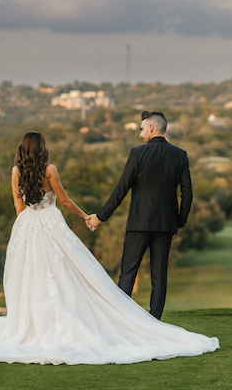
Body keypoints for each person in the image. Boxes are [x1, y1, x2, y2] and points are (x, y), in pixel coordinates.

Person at [0, 132, 218, 365]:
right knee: (67, 273)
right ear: (42, 148)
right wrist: (87, 217)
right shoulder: (50, 170)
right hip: (50, 223)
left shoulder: (15, 172)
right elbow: (65, 201)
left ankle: (33, 322)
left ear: (22, 149)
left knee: (32, 276)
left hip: (26, 227)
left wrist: (27, 230)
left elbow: (18, 208)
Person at [86, 111, 191, 320]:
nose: (140, 134)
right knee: (159, 277)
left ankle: (121, 322)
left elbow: (121, 189)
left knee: (127, 274)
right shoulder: (180, 155)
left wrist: (100, 216)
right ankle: (154, 323)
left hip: (138, 224)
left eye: (142, 129)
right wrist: (179, 222)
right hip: (166, 225)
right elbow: (187, 194)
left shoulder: (137, 153)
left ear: (151, 128)